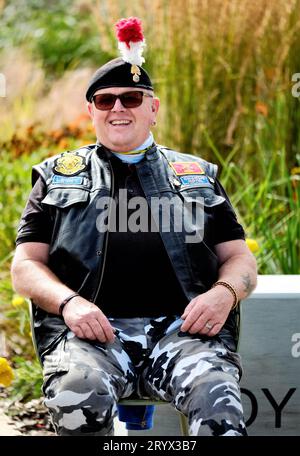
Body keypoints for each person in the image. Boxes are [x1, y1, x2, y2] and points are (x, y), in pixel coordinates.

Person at [11, 17, 257, 436]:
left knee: (218, 401)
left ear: (153, 109)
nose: (118, 108)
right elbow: (25, 267)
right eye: (105, 100)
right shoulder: (56, 176)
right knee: (76, 397)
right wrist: (70, 304)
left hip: (183, 333)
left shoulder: (196, 174)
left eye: (131, 98)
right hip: (91, 335)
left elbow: (240, 259)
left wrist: (224, 293)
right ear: (91, 111)